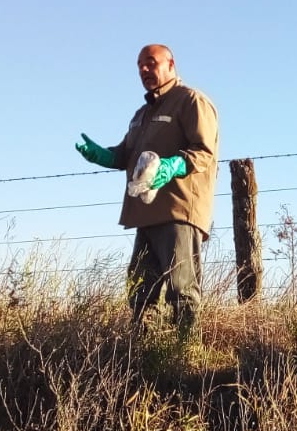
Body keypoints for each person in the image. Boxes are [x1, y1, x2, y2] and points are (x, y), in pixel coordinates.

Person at [75, 44, 219, 338]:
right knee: (141, 290)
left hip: (178, 209)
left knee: (182, 288)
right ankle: (142, 353)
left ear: (170, 63)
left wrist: (172, 166)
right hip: (145, 212)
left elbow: (204, 152)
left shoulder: (190, 101)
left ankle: (185, 353)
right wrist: (102, 155)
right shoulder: (142, 113)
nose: (143, 70)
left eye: (150, 63)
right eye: (140, 65)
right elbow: (127, 155)